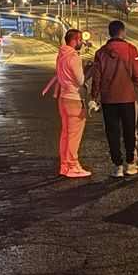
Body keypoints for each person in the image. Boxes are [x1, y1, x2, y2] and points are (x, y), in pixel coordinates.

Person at [91, 20, 138, 178]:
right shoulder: (131, 50)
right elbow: (137, 74)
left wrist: (94, 96)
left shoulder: (101, 52)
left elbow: (97, 78)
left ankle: (117, 166)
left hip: (108, 99)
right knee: (129, 130)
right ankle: (130, 163)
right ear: (122, 32)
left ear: (110, 33)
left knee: (112, 132)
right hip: (127, 97)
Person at [56, 29, 92, 178]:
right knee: (73, 136)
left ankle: (64, 164)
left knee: (65, 134)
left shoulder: (61, 55)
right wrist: (88, 70)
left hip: (63, 98)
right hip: (74, 99)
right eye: (80, 40)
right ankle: (72, 165)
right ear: (75, 40)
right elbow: (80, 80)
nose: (81, 42)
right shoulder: (73, 57)